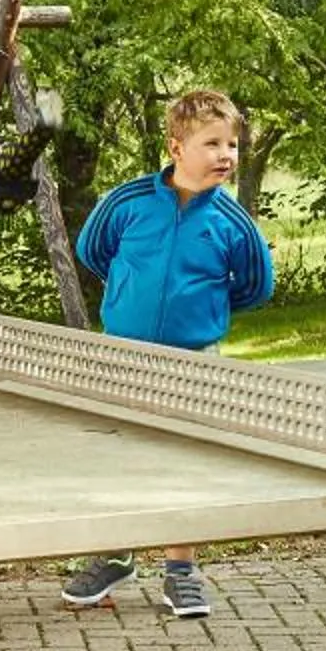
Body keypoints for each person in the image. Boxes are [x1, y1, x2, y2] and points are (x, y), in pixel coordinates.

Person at [58, 88, 276, 620]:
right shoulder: (127, 203)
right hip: (123, 358)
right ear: (176, 147)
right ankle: (116, 553)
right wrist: (134, 294)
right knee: (117, 459)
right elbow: (93, 252)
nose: (227, 155)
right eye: (213, 143)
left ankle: (180, 572)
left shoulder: (233, 223)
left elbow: (254, 287)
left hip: (194, 361)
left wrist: (198, 313)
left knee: (185, 465)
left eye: (232, 145)